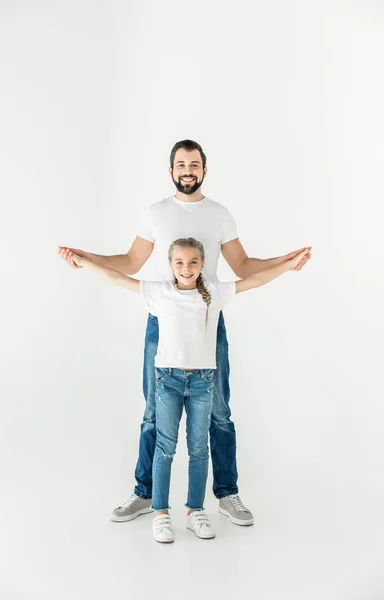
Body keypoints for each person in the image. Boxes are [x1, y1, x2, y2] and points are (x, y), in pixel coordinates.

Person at [58, 139, 311, 527]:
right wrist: (85, 257)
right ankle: (144, 494)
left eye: (194, 164)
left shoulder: (220, 214)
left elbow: (244, 267)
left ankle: (227, 494)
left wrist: (287, 261)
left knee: (220, 412)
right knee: (152, 413)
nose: (187, 170)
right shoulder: (156, 213)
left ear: (204, 170)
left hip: (208, 320)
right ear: (171, 170)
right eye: (180, 164)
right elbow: (128, 262)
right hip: (162, 321)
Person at [63, 238, 309, 542]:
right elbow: (117, 277)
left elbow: (254, 280)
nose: (186, 268)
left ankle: (195, 511)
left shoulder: (214, 294)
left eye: (193, 262)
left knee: (198, 449)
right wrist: (85, 261)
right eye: (179, 263)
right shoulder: (159, 293)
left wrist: (286, 266)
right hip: (167, 380)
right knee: (164, 448)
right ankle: (160, 513)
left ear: (202, 264)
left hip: (203, 382)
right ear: (170, 265)